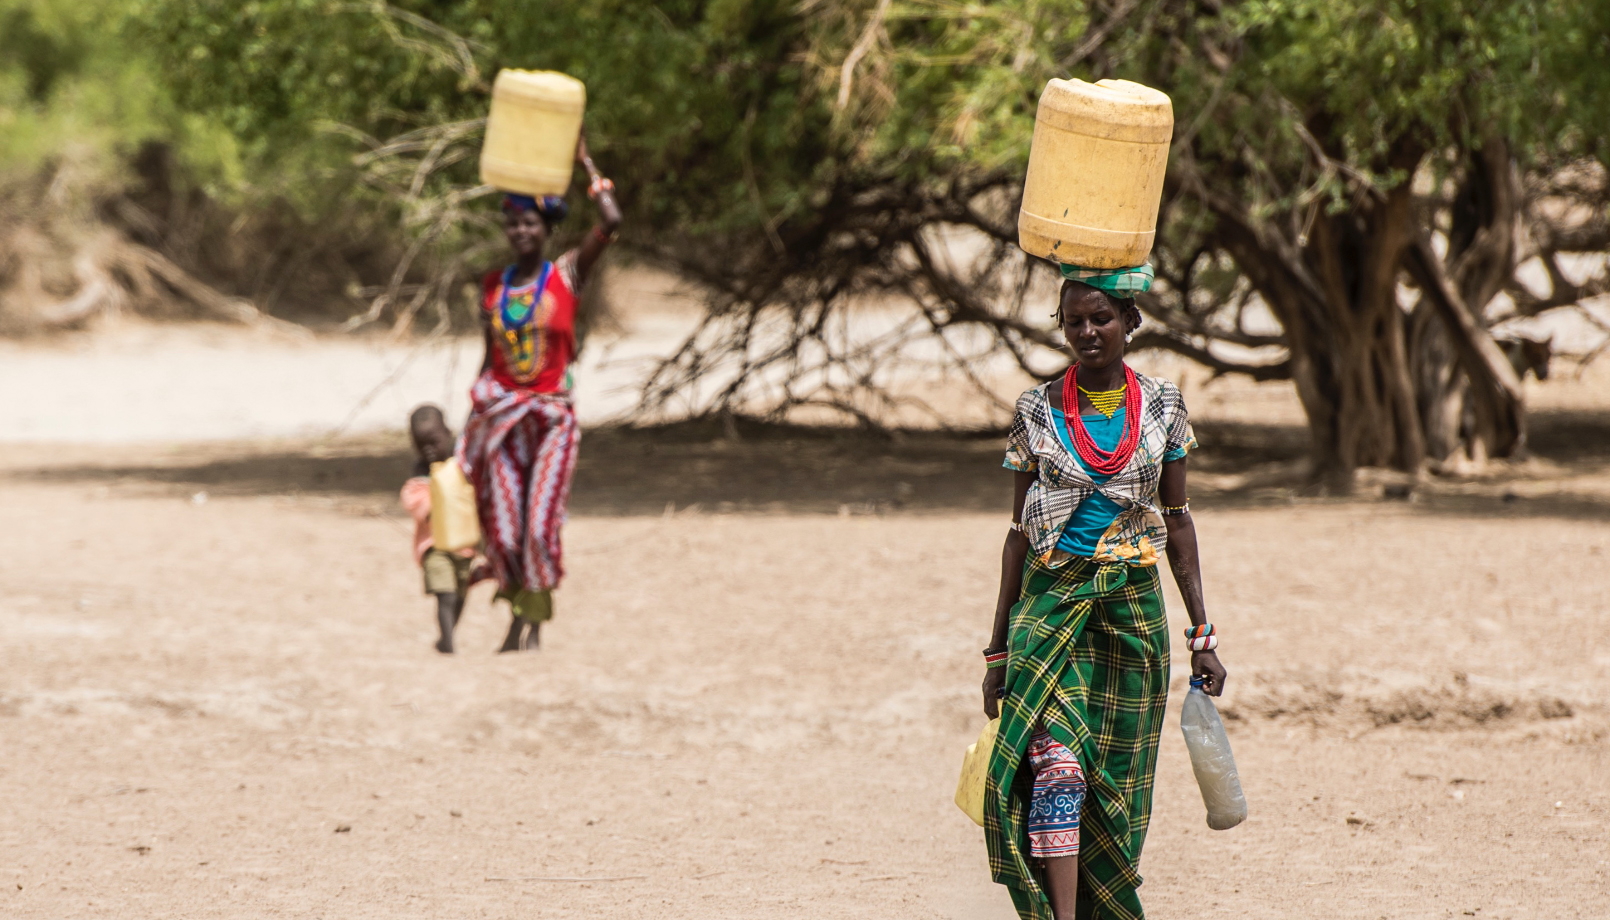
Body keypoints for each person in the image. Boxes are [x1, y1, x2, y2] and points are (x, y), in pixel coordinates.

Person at [981, 264, 1228, 920]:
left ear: (1131, 323)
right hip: (1049, 606)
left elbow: (1177, 524)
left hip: (1131, 617)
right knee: (1057, 767)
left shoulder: (1166, 405)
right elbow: (1015, 534)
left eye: (1102, 318)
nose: (1088, 332)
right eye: (1074, 321)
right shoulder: (1034, 411)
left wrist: (1202, 636)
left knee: (1113, 792)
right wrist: (995, 649)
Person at [456, 133, 620, 653]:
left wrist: (586, 163)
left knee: (537, 526)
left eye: (529, 223)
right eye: (512, 223)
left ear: (546, 229)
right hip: (503, 415)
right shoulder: (492, 287)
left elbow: (611, 223)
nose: (519, 230)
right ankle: (515, 610)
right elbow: (489, 356)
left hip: (551, 419)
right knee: (503, 530)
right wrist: (472, 423)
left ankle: (529, 625)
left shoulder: (566, 275)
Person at [400, 404, 482, 654]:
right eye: (420, 444)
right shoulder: (421, 476)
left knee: (459, 594)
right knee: (444, 594)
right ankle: (448, 642)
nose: (428, 449)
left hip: (464, 546)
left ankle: (448, 634)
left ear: (448, 434)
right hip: (434, 547)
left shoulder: (460, 467)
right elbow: (413, 497)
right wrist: (431, 506)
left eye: (433, 441)